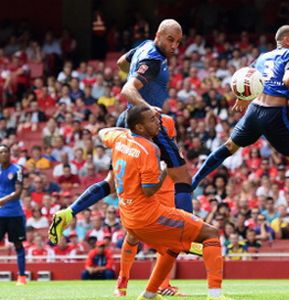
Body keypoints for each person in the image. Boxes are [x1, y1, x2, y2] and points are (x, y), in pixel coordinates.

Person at [49, 19, 194, 245]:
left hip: (126, 119)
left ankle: (68, 213)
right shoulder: (153, 59)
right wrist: (147, 106)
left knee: (111, 183)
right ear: (159, 34)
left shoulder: (144, 46)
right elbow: (128, 89)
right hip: (146, 124)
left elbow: (121, 63)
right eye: (170, 39)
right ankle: (190, 236)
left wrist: (138, 77)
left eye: (178, 42)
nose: (174, 46)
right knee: (182, 176)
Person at [191, 25, 289, 240]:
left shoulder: (262, 57)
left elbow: (245, 77)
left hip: (254, 111)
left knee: (228, 148)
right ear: (287, 41)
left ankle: (193, 181)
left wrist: (242, 97)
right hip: (275, 114)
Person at [99, 105, 241, 300]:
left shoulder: (118, 138)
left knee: (172, 246)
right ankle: (215, 295)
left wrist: (123, 132)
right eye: (152, 120)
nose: (158, 123)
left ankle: (149, 294)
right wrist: (164, 171)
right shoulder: (149, 149)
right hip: (148, 215)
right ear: (139, 127)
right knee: (211, 234)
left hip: (128, 216)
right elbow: (149, 190)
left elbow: (102, 132)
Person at [113, 114, 192, 297]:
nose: (158, 127)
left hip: (163, 192)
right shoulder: (141, 145)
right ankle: (124, 279)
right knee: (134, 236)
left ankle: (161, 284)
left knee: (164, 239)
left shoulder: (164, 142)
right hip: (144, 193)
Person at [0, 144, 27, 285]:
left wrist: (3, 200)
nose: (3, 154)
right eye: (1, 152)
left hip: (14, 213)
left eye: (5, 151)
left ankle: (22, 276)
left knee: (18, 244)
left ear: (10, 153)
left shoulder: (17, 169)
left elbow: (18, 191)